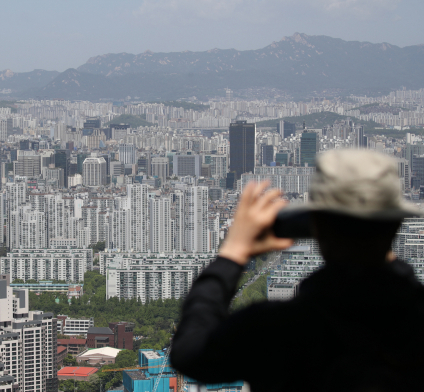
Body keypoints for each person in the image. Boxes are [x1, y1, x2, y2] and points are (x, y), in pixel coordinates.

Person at [171, 149, 424, 391]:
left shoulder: (279, 329)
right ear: (396, 223)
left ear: (315, 226)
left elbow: (189, 353)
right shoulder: (414, 322)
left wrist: (233, 253)